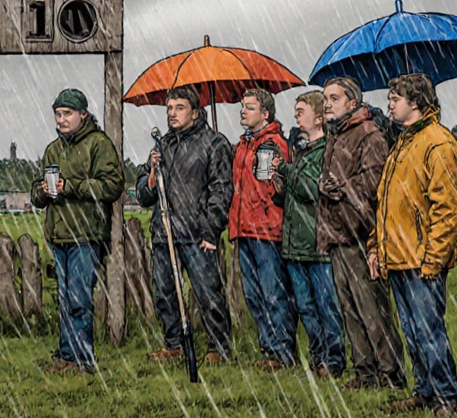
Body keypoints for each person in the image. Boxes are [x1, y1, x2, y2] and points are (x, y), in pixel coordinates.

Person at [370, 74, 457, 417]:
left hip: (421, 257)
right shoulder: (403, 143)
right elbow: (385, 203)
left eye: (396, 98)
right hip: (398, 255)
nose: (390, 104)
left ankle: (446, 397)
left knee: (430, 330)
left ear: (417, 103)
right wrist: (375, 247)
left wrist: (434, 258)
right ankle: (424, 390)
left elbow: (448, 207)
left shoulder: (437, 143)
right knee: (413, 331)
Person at [318, 78, 405, 390]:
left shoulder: (368, 134)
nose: (327, 104)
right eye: (325, 98)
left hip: (360, 232)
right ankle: (365, 371)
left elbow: (374, 182)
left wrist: (340, 189)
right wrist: (323, 185)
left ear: (352, 102)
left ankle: (390, 373)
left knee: (373, 309)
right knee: (351, 309)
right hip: (337, 232)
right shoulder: (335, 135)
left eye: (334, 98)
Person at [136, 86, 233, 364]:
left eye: (179, 108)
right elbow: (144, 194)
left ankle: (218, 348)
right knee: (165, 293)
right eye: (169, 108)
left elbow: (221, 190)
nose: (172, 114)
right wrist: (153, 172)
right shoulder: (162, 146)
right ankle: (174, 344)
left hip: (197, 232)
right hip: (165, 231)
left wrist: (210, 228)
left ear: (195, 111)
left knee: (207, 293)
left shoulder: (214, 143)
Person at [31, 89, 123, 373]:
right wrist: (43, 191)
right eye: (58, 114)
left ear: (83, 114)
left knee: (80, 299)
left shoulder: (99, 144)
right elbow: (35, 194)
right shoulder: (52, 149)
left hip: (86, 234)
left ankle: (83, 360)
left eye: (67, 114)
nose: (61, 120)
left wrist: (69, 187)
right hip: (59, 235)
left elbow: (112, 186)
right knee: (64, 298)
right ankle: (67, 355)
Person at [274, 91, 345, 377]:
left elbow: (311, 190)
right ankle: (318, 358)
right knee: (305, 306)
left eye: (301, 110)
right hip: (296, 242)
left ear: (318, 117)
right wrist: (282, 187)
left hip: (316, 243)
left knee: (326, 305)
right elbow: (294, 192)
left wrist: (287, 171)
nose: (296, 115)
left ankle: (334, 359)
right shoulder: (301, 149)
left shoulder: (326, 151)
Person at [229, 88, 295, 369]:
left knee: (273, 292)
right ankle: (268, 347)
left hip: (266, 228)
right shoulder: (244, 144)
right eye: (243, 106)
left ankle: (282, 350)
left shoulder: (272, 144)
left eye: (250, 107)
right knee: (254, 293)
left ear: (266, 113)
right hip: (245, 227)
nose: (244, 111)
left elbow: (272, 188)